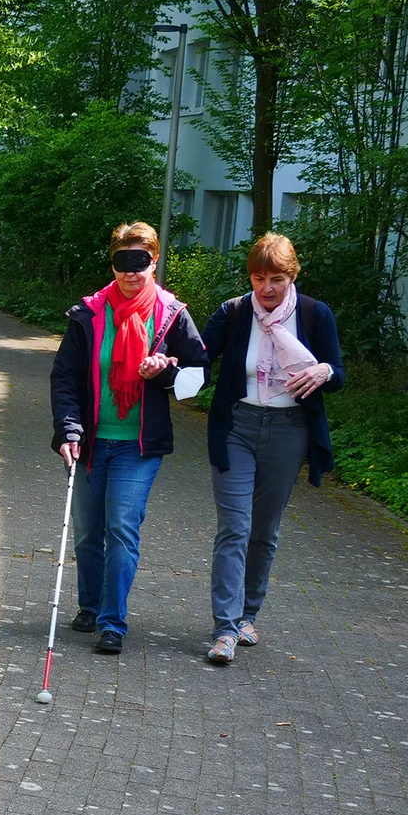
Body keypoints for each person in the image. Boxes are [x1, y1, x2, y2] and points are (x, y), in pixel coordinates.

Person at [48, 222, 207, 654]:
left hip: (139, 446)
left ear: (154, 261)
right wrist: (68, 428)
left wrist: (167, 372)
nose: (132, 272)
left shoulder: (172, 314)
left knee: (121, 528)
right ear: (113, 263)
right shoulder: (90, 313)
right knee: (87, 530)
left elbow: (198, 375)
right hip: (93, 440)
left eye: (141, 262)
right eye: (123, 262)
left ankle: (112, 622)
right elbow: (65, 377)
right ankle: (90, 604)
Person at [198, 232, 344, 664]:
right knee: (235, 528)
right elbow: (199, 357)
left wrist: (322, 371)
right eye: (258, 278)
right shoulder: (234, 313)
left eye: (276, 278)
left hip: (289, 429)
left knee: (265, 531)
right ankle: (224, 630)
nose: (266, 288)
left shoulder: (316, 315)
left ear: (291, 275)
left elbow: (338, 373)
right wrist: (171, 365)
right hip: (236, 427)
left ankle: (247, 616)